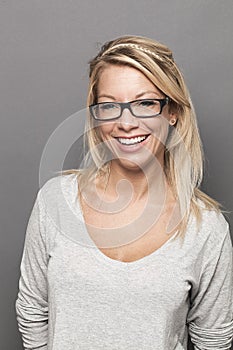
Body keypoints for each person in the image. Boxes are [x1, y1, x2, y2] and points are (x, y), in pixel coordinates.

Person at [15, 35, 233, 350]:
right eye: (109, 106)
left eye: (145, 103)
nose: (126, 122)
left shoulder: (206, 229)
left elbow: (213, 340)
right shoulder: (55, 200)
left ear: (171, 112)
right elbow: (32, 310)